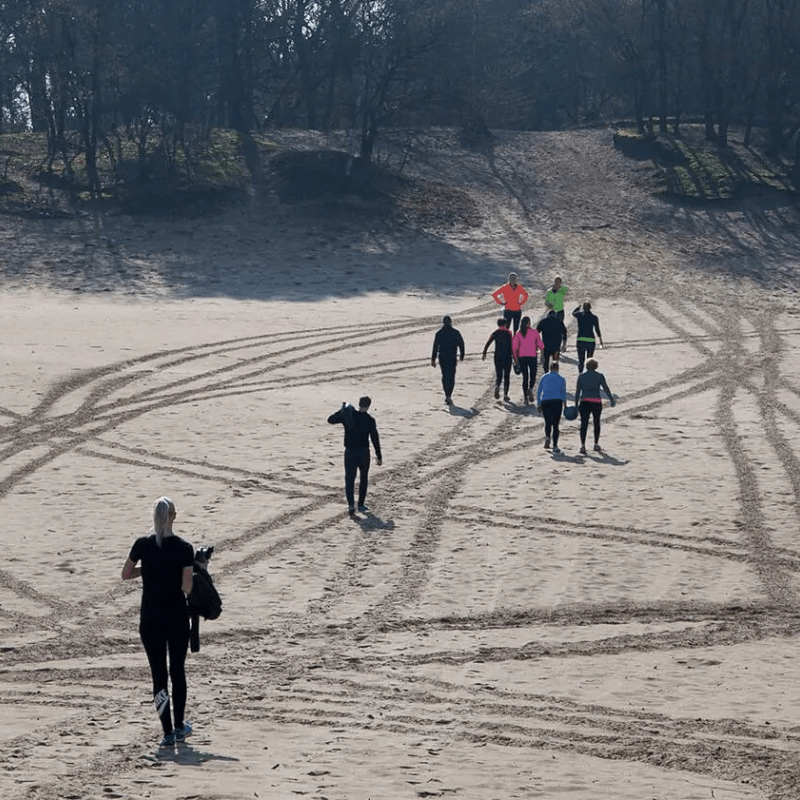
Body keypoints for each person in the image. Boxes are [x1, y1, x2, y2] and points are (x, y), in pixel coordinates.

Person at [122, 497, 195, 749]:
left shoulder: (143, 545)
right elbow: (187, 587)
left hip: (150, 619)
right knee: (177, 671)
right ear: (173, 517)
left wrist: (150, 569)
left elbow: (126, 573)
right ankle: (179, 726)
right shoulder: (185, 548)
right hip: (176, 618)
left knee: (158, 676)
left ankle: (166, 732)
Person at [327, 396, 382, 514]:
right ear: (368, 406)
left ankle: (351, 504)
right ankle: (361, 504)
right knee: (364, 478)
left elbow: (330, 420)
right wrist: (379, 455)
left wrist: (341, 410)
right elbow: (374, 438)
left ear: (359, 404)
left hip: (350, 452)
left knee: (349, 478)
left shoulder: (348, 415)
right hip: (364, 452)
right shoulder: (370, 420)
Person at [574, 358, 616, 454]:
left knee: (583, 424)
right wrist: (611, 399)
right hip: (596, 402)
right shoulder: (599, 376)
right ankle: (596, 444)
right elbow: (606, 388)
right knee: (596, 423)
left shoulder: (581, 376)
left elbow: (577, 392)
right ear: (596, 366)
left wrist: (576, 405)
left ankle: (583, 445)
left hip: (584, 401)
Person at [431, 315, 465, 405]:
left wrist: (433, 359)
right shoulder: (456, 332)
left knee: (444, 375)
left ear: (443, 323)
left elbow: (435, 347)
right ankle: (449, 394)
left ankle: (446, 394)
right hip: (452, 357)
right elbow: (461, 344)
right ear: (450, 322)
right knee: (451, 376)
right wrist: (462, 355)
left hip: (442, 357)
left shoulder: (439, 333)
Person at [512, 316, 544, 404]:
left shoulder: (518, 333)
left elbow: (515, 348)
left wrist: (515, 359)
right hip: (532, 357)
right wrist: (542, 356)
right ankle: (530, 389)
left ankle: (526, 398)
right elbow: (541, 345)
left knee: (525, 377)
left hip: (522, 357)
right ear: (529, 323)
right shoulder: (534, 332)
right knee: (533, 375)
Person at [536, 361, 567, 454]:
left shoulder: (544, 377)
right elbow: (563, 393)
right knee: (556, 425)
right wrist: (565, 405)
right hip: (557, 402)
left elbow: (539, 392)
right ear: (557, 368)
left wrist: (539, 403)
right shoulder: (562, 378)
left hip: (546, 401)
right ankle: (555, 445)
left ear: (550, 368)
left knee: (547, 422)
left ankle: (547, 437)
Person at [482, 317, 514, 401]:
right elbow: (512, 345)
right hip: (507, 356)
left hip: (498, 356)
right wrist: (514, 356)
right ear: (506, 324)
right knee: (507, 376)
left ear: (498, 324)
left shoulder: (495, 333)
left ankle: (497, 386)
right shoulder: (509, 333)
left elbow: (488, 342)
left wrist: (484, 353)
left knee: (499, 375)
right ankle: (505, 394)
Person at [572, 301, 603, 373]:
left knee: (581, 360)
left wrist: (578, 307)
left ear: (583, 308)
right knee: (589, 359)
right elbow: (597, 329)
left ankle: (580, 374)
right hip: (590, 340)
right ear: (590, 308)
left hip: (581, 339)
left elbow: (573, 313)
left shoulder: (579, 315)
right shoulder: (594, 317)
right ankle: (589, 373)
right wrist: (600, 339)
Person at [536, 305, 567, 374]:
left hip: (546, 345)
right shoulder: (559, 321)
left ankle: (546, 373)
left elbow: (536, 332)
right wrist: (564, 344)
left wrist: (537, 343)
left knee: (546, 361)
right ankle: (555, 373)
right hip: (556, 346)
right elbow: (564, 333)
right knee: (555, 361)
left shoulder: (543, 321)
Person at [545, 276, 569, 351]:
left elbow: (567, 288)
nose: (557, 283)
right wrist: (548, 305)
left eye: (558, 282)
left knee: (561, 328)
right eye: (556, 282)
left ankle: (564, 343)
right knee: (550, 329)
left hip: (559, 311)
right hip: (551, 312)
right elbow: (546, 302)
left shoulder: (562, 290)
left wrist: (559, 288)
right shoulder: (549, 291)